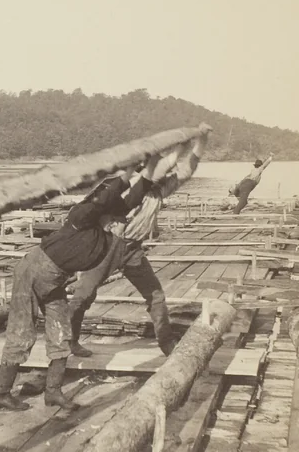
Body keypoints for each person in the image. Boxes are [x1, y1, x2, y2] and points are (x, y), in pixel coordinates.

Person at [0, 160, 155, 412]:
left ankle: (53, 392)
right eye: (116, 220)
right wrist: (129, 170)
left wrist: (149, 168)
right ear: (106, 217)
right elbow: (104, 197)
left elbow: (132, 198)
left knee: (61, 334)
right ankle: (1, 393)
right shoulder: (81, 218)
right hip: (31, 274)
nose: (119, 225)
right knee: (22, 334)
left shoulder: (103, 238)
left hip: (54, 281)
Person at [66, 130, 210, 359]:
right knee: (84, 295)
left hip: (133, 250)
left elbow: (187, 168)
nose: (166, 173)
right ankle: (69, 341)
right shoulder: (124, 184)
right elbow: (164, 165)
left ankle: (167, 343)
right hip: (106, 245)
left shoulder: (159, 190)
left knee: (156, 296)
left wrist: (200, 140)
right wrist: (176, 148)